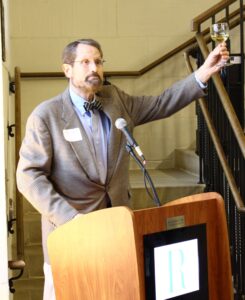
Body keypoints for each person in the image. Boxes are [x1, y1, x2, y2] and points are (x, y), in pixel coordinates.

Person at [16, 38, 229, 300]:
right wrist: (70, 219)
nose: (94, 67)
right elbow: (28, 177)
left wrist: (202, 74)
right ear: (67, 70)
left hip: (117, 230)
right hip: (71, 236)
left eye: (98, 61)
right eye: (85, 62)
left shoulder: (114, 100)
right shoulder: (46, 115)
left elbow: (162, 103)